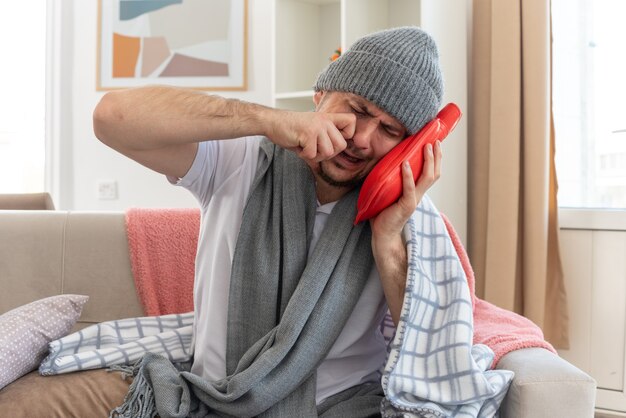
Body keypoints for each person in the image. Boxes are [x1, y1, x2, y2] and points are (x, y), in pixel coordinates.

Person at [94, 26, 444, 417]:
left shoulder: (410, 216)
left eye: (390, 130)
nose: (362, 138)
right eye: (358, 110)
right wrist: (264, 119)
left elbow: (427, 356)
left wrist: (388, 238)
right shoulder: (239, 161)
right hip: (218, 402)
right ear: (320, 96)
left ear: (408, 148)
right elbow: (112, 117)